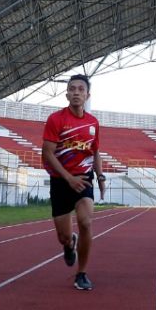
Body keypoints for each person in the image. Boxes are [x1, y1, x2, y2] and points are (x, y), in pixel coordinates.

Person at [41, 74, 106, 291]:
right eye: (72, 89)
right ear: (67, 93)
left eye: (81, 89)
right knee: (63, 237)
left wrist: (100, 176)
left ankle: (82, 273)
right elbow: (48, 154)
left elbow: (95, 152)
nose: (76, 92)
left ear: (88, 94)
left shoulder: (93, 123)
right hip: (61, 182)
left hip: (84, 180)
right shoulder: (56, 119)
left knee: (86, 222)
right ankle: (70, 246)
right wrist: (68, 178)